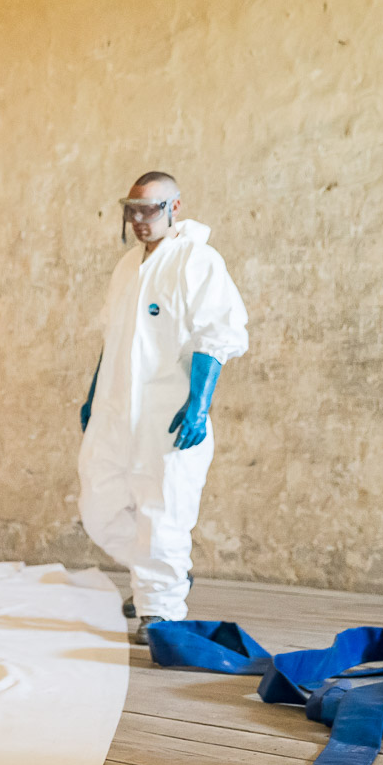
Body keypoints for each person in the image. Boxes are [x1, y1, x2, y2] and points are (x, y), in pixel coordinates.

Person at [78, 172, 248, 645]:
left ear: (174, 206)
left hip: (168, 415)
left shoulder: (197, 261)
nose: (138, 220)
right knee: (100, 507)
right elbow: (113, 339)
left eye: (148, 209)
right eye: (130, 209)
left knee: (163, 510)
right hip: (117, 412)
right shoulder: (128, 266)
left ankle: (161, 612)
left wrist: (198, 405)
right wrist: (95, 396)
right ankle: (155, 575)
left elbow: (218, 334)